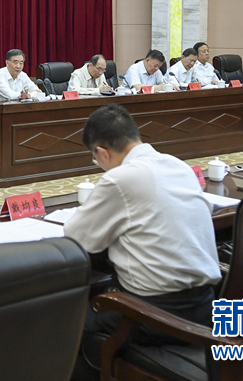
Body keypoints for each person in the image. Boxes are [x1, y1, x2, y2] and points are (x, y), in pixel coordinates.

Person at [64, 104, 220, 380]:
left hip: (155, 316)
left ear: (102, 152)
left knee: (67, 325)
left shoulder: (120, 178)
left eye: (95, 159)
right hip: (205, 306)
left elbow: (76, 239)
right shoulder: (178, 165)